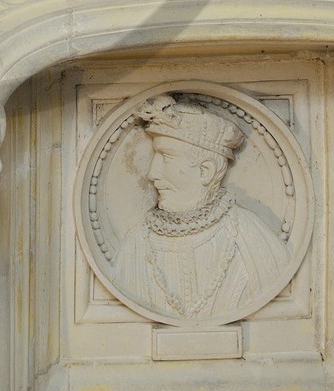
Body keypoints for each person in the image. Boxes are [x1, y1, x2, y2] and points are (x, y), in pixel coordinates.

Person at [111, 93, 289, 324]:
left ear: (206, 171)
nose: (153, 174)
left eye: (166, 157)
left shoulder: (253, 240)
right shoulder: (137, 244)